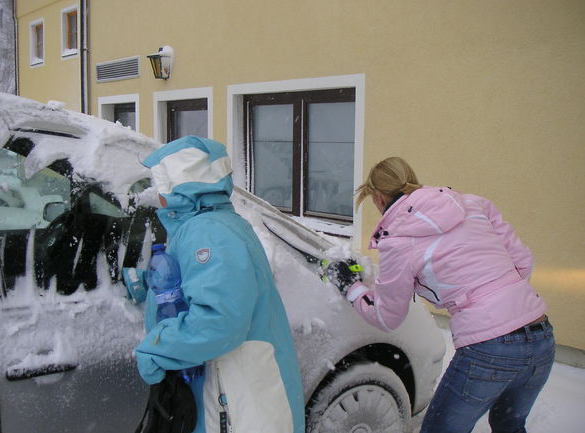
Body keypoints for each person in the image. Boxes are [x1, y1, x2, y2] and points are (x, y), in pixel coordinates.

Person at [328, 156, 554, 433]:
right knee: (509, 424)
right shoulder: (473, 204)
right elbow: (523, 262)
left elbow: (387, 317)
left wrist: (351, 286)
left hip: (490, 348)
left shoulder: (397, 240)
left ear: (377, 197)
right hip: (541, 335)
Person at [134, 136, 305, 433]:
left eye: (159, 183)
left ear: (177, 187)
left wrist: (157, 349)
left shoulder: (209, 233)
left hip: (239, 399)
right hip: (231, 390)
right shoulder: (207, 224)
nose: (156, 192)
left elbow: (220, 320)